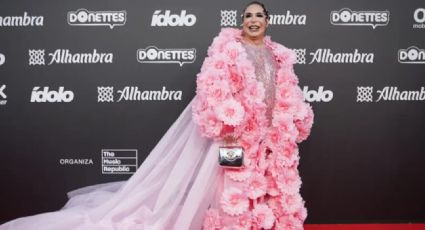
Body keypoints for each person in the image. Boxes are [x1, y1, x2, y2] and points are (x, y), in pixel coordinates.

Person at [0, 1, 313, 229]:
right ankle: (233, 223)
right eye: (248, 16)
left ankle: (261, 220)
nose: (254, 20)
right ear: (242, 21)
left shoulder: (278, 54)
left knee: (265, 180)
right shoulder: (227, 48)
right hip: (236, 132)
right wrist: (229, 121)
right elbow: (213, 86)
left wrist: (293, 116)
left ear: (268, 21)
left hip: (270, 136)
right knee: (231, 181)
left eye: (259, 15)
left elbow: (287, 90)